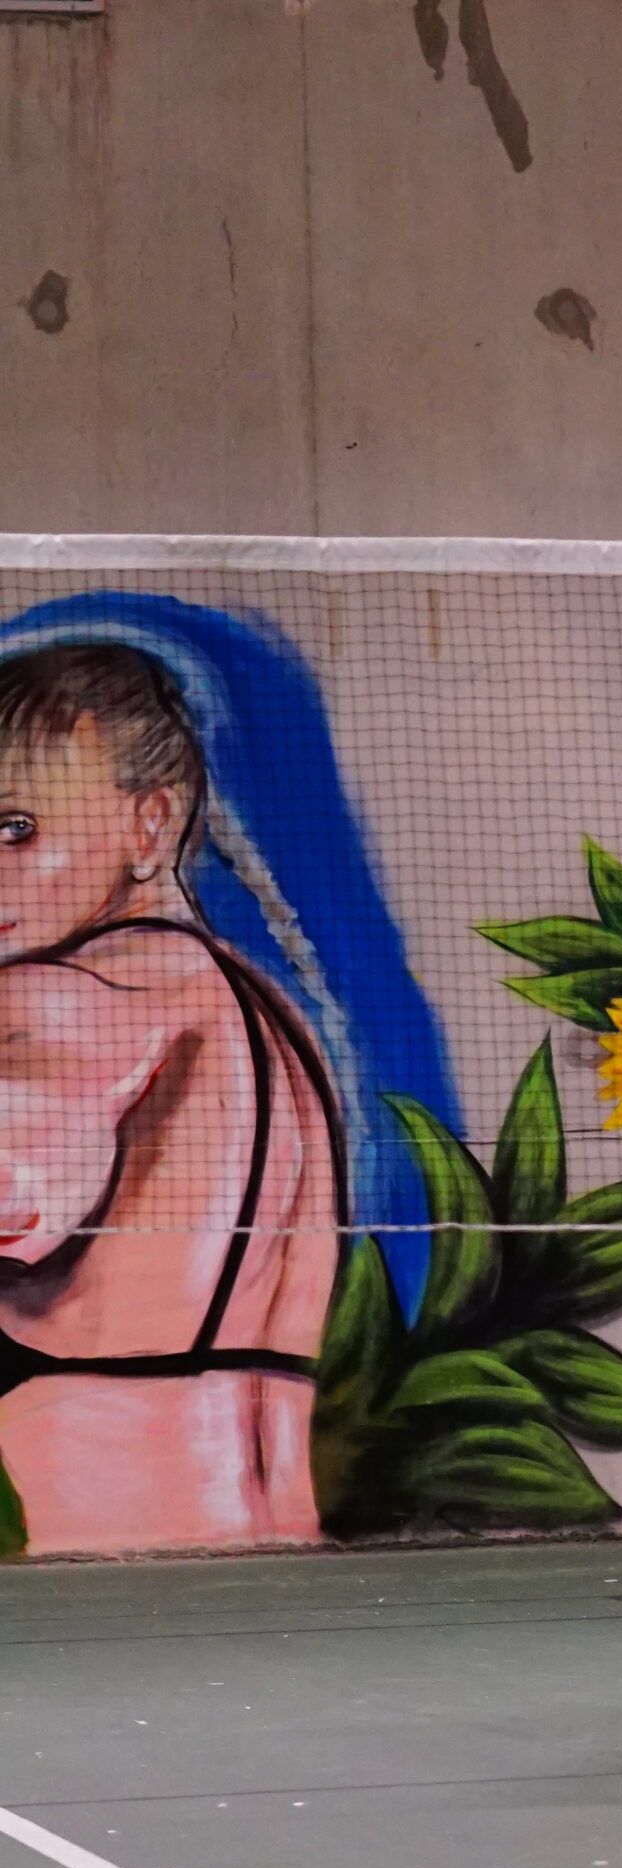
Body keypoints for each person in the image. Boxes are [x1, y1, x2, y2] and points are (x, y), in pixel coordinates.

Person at [0, 644, 345, 1552]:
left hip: (90, 1518)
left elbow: (12, 1188)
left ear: (150, 823)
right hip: (270, 1517)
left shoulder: (62, 998)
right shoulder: (267, 1023)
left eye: (16, 828)